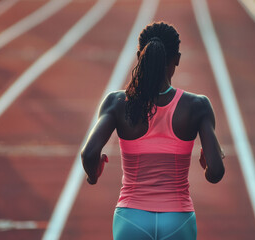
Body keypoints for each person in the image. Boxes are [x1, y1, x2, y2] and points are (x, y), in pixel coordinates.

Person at [81, 21, 225, 240]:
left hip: (131, 218)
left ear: (140, 56)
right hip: (178, 219)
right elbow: (216, 171)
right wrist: (207, 167)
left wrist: (93, 176)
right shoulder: (198, 106)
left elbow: (89, 153)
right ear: (177, 58)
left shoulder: (117, 102)